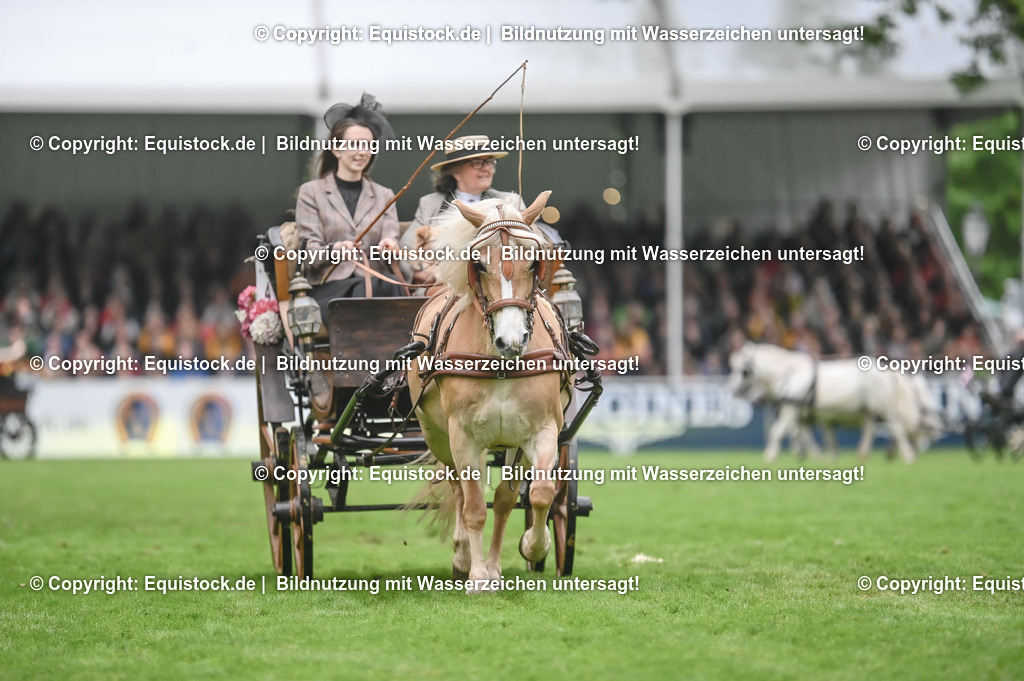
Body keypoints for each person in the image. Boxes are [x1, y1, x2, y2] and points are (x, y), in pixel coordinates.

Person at [399, 134, 562, 285]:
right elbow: (404, 250)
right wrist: (425, 275)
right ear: (456, 171)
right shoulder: (429, 204)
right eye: (477, 163)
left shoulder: (511, 202)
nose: (487, 168)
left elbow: (532, 243)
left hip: (497, 288)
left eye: (490, 162)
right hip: (438, 290)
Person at [296, 93, 402, 310]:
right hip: (331, 288)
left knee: (393, 290)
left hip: (375, 284)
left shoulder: (385, 195)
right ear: (335, 149)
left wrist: (389, 246)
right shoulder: (311, 193)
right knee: (363, 292)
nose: (362, 152)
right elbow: (310, 255)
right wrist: (336, 249)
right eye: (355, 144)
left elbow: (391, 238)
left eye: (368, 146)